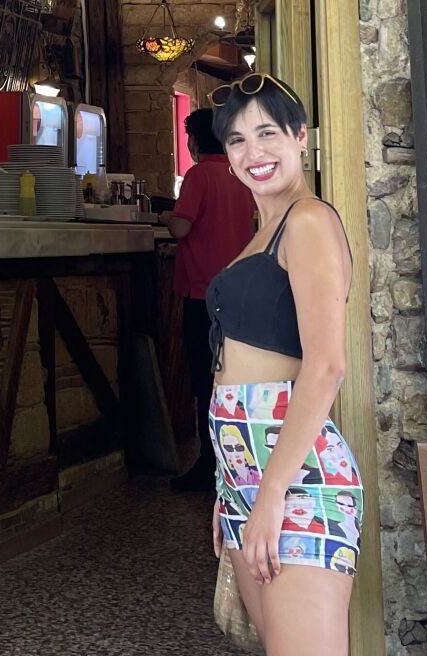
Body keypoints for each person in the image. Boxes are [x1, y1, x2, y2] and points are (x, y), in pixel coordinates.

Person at [203, 72, 360, 656]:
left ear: (300, 137)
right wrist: (229, 488)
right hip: (247, 480)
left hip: (296, 482)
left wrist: (269, 497)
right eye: (238, 141)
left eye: (267, 133)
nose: (253, 153)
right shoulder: (262, 230)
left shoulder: (308, 220)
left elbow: (325, 367)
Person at [163, 105, 256, 491]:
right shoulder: (241, 176)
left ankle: (210, 464)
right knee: (233, 380)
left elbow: (182, 227)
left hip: (203, 293)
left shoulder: (199, 175)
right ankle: (238, 465)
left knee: (204, 380)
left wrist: (165, 217)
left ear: (196, 140)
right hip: (238, 292)